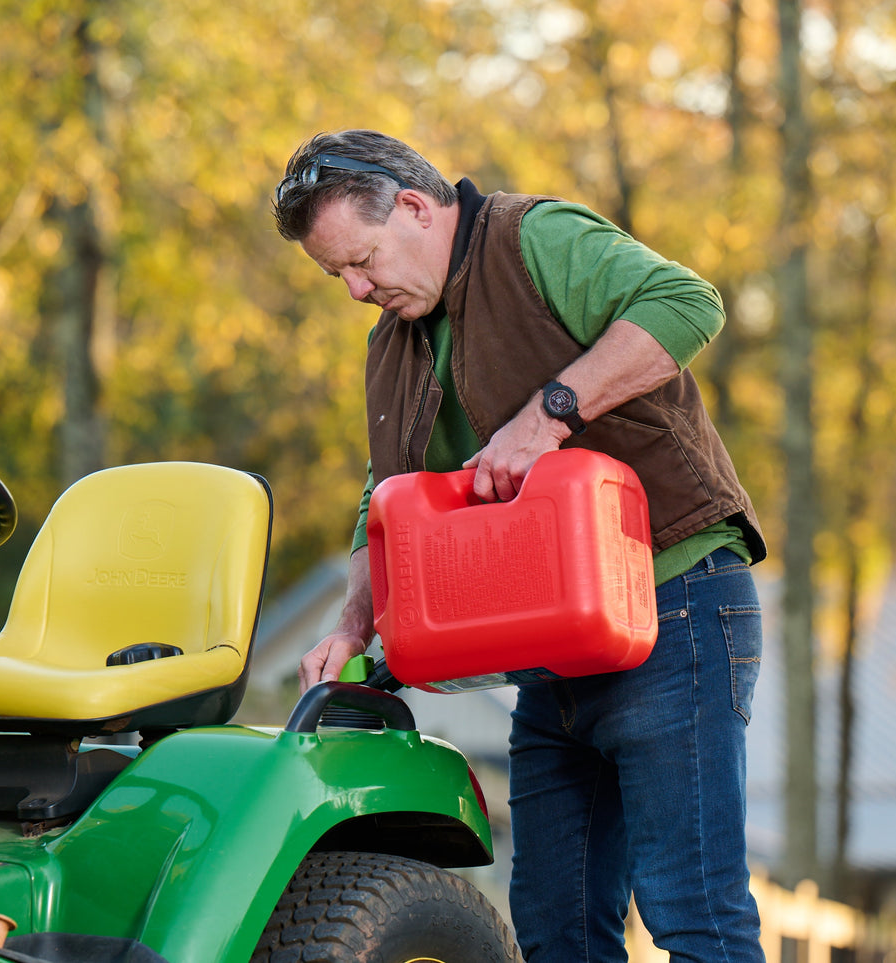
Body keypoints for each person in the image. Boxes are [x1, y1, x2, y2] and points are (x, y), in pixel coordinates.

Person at [273, 129, 768, 963]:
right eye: (337, 277)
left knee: (693, 912)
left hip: (672, 608)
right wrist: (355, 625)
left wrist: (548, 416)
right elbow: (381, 499)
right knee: (554, 927)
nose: (356, 289)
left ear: (415, 207)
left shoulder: (533, 238)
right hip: (551, 648)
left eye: (360, 261)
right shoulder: (390, 345)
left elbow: (687, 303)